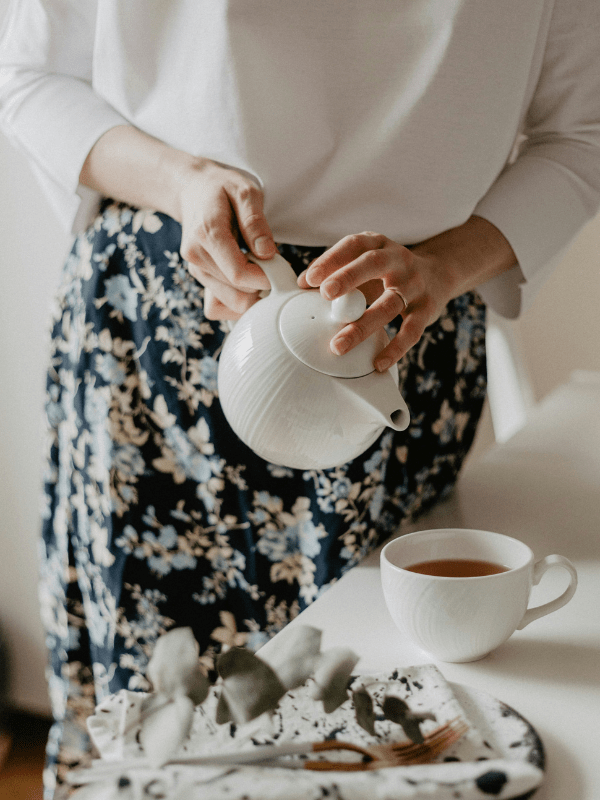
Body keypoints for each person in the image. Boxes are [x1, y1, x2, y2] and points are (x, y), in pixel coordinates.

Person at [1, 2, 599, 797]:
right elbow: (33, 75)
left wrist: (445, 267)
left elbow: (582, 134)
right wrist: (183, 181)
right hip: (156, 366)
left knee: (382, 731)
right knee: (155, 736)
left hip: (398, 342)